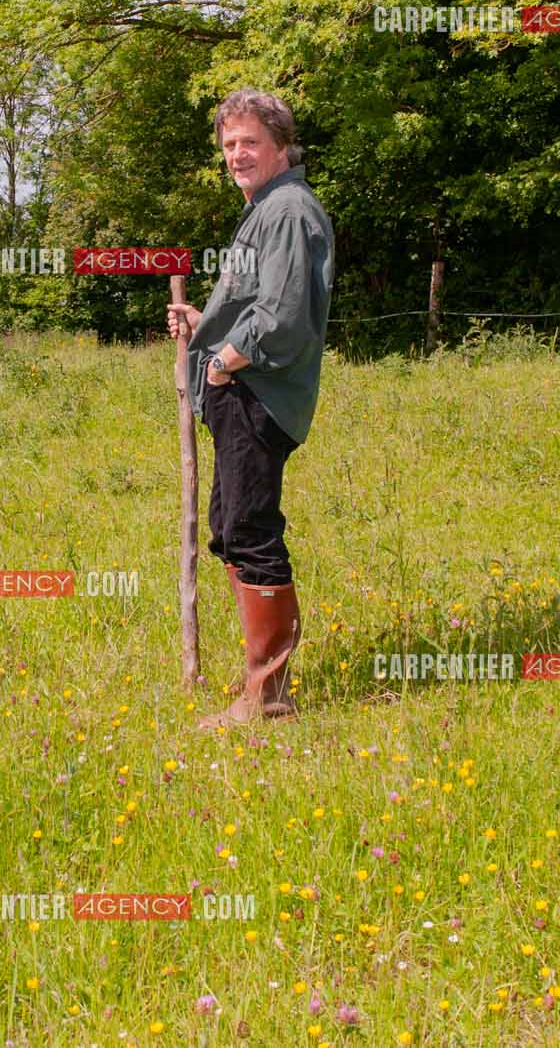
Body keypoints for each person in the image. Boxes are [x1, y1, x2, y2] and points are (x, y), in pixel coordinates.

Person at [166, 89, 334, 728]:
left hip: (257, 393)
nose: (238, 153)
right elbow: (254, 300)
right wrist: (203, 324)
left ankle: (268, 698)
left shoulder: (287, 209)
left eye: (250, 142)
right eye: (229, 144)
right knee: (233, 528)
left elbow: (284, 317)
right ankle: (258, 685)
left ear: (281, 145)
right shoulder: (264, 210)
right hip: (242, 388)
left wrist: (225, 358)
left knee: (252, 533)